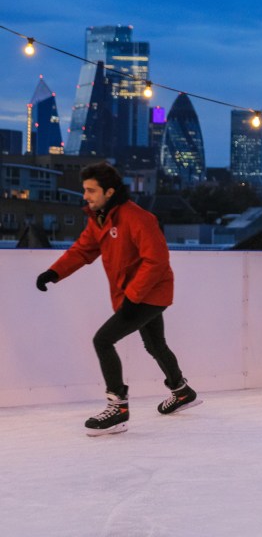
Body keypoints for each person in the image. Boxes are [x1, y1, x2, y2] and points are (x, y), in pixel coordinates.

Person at [35, 162, 200, 436]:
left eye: (91, 190)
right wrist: (54, 272)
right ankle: (181, 391)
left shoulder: (138, 218)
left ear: (109, 191)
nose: (85, 196)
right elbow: (82, 251)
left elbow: (156, 261)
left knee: (103, 340)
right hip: (136, 294)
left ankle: (117, 408)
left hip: (149, 293)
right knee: (155, 344)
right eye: (84, 190)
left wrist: (133, 297)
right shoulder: (100, 218)